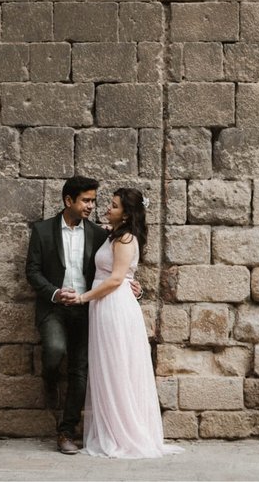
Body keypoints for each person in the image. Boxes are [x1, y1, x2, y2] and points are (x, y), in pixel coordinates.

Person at [24, 176, 141, 455]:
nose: (92, 206)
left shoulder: (101, 234)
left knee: (80, 370)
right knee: (54, 350)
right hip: (54, 307)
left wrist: (135, 287)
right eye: (86, 200)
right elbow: (32, 272)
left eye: (93, 200)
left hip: (88, 309)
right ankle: (50, 377)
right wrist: (54, 293)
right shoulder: (41, 231)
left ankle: (67, 432)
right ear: (69, 201)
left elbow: (116, 270)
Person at [69, 188, 182, 459]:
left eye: (114, 205)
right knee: (108, 366)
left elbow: (117, 279)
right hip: (105, 305)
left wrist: (83, 298)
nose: (107, 208)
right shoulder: (115, 234)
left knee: (116, 366)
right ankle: (113, 428)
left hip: (113, 305)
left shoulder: (126, 238)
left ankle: (122, 432)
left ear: (127, 213)